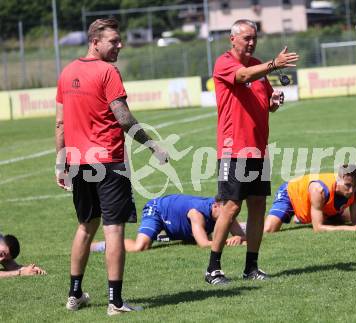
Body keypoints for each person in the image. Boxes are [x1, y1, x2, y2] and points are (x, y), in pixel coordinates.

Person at [55, 18, 168, 316]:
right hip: (108, 162)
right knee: (113, 229)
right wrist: (153, 144)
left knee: (85, 226)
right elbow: (124, 118)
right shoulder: (108, 71)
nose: (120, 45)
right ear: (95, 42)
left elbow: (60, 123)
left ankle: (75, 294)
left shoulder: (66, 72)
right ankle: (115, 302)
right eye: (114, 41)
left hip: (78, 162)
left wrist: (60, 163)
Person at [205, 19, 300, 285]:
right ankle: (213, 268)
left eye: (254, 37)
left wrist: (273, 101)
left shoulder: (256, 64)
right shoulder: (225, 63)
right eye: (246, 38)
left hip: (259, 149)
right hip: (233, 149)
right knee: (231, 207)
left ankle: (251, 267)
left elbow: (265, 101)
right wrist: (273, 64)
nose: (251, 42)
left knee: (258, 207)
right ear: (232, 39)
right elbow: (243, 77)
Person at [90, 195, 246, 253]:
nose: (230, 214)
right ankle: (100, 246)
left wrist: (239, 238)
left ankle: (166, 234)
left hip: (175, 217)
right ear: (216, 205)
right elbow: (204, 244)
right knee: (141, 246)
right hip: (158, 209)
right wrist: (228, 241)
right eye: (226, 210)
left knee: (191, 238)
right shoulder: (197, 213)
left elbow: (242, 237)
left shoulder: (225, 213)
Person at [264, 165, 356, 233]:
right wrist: (350, 229)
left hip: (317, 202)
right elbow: (318, 228)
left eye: (355, 185)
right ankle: (247, 227)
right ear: (338, 180)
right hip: (291, 193)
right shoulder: (319, 190)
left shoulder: (355, 192)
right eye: (347, 185)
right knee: (269, 229)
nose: (351, 190)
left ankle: (307, 216)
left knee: (344, 218)